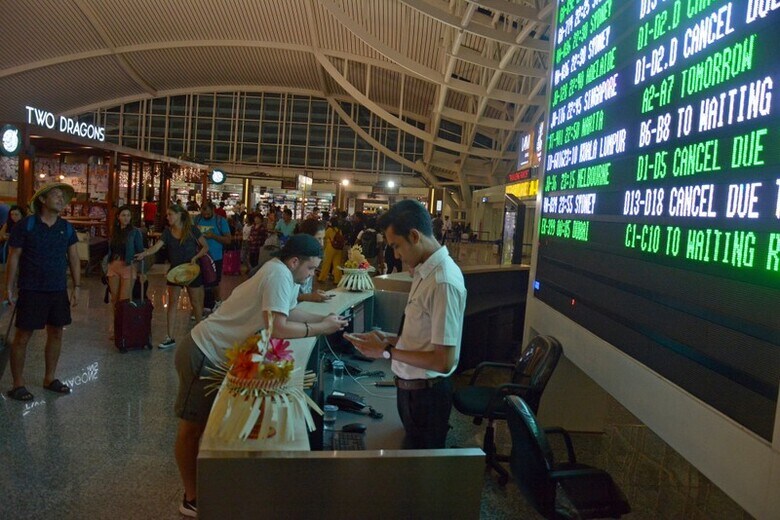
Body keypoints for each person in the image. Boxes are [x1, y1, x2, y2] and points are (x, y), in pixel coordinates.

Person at [172, 234, 349, 516]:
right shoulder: (278, 274)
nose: (312, 275)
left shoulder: (284, 274)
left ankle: (203, 485)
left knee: (204, 424)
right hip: (204, 351)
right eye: (311, 268)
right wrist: (320, 328)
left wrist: (327, 318)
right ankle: (191, 497)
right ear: (295, 261)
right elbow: (277, 327)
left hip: (213, 352)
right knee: (191, 428)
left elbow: (290, 311)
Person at [345, 200, 467, 449]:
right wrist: (386, 338)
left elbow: (442, 361)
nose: (396, 254)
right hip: (412, 391)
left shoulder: (443, 281)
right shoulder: (426, 273)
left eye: (396, 246)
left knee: (421, 474)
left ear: (414, 235)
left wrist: (386, 351)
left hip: (427, 397)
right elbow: (421, 335)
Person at [5, 183, 81, 401]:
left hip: (57, 289)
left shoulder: (66, 228)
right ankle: (18, 384)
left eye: (63, 197)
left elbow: (74, 257)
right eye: (56, 195)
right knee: (23, 335)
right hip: (31, 288)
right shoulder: (26, 225)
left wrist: (76, 286)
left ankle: (50, 378)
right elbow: (14, 257)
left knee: (56, 332)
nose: (61, 199)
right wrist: (8, 287)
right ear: (42, 200)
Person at [135, 204, 209, 349]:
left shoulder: (192, 230)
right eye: (167, 215)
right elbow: (156, 247)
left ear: (179, 215)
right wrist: (144, 253)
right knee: (172, 302)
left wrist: (196, 257)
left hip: (191, 270)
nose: (167, 217)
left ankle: (199, 335)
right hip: (175, 271)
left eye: (170, 215)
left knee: (196, 303)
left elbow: (205, 247)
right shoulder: (168, 232)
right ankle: (170, 336)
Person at [106, 205, 144, 338]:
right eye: (123, 215)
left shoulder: (135, 232)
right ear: (118, 217)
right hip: (114, 265)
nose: (126, 218)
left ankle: (123, 327)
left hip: (128, 266)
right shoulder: (114, 231)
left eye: (128, 215)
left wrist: (139, 269)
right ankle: (114, 326)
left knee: (124, 300)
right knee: (114, 299)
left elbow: (140, 251)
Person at [194, 201, 232, 308]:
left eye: (207, 213)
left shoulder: (221, 221)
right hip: (200, 256)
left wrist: (213, 236)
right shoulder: (197, 220)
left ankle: (217, 301)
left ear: (213, 210)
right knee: (200, 283)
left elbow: (228, 240)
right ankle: (203, 305)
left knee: (214, 282)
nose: (205, 215)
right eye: (203, 212)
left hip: (215, 257)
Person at [296, 219, 331, 302]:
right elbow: (288, 296)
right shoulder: (296, 258)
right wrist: (308, 296)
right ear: (307, 237)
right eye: (319, 238)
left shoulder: (311, 256)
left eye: (323, 239)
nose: (322, 243)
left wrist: (312, 293)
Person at [318, 216, 344, 285]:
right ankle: (337, 280)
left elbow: (324, 237)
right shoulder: (339, 230)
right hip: (338, 249)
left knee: (326, 263)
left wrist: (323, 248)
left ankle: (322, 278)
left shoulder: (329, 230)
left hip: (330, 248)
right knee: (337, 264)